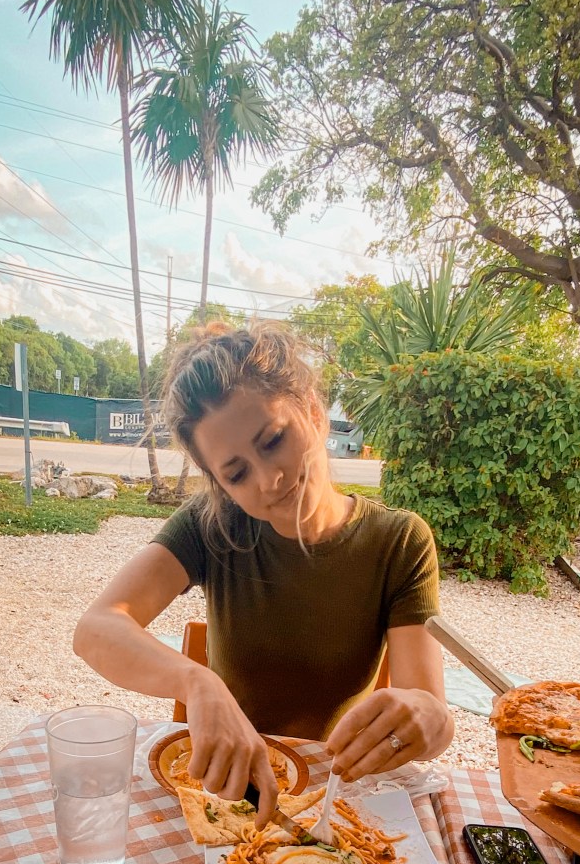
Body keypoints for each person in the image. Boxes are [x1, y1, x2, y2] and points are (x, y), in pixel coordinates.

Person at [74, 321, 453, 825]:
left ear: (313, 412)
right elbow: (97, 629)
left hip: (338, 799)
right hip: (233, 791)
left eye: (274, 440)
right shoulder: (212, 526)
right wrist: (196, 682)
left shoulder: (399, 541)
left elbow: (432, 717)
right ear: (221, 485)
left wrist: (427, 717)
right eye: (237, 473)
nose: (269, 480)